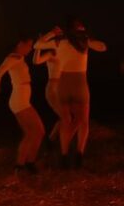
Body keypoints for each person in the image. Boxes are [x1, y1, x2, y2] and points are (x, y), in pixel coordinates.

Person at [33, 17, 106, 168]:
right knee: (83, 121)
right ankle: (79, 153)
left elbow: (37, 45)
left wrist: (51, 33)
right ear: (79, 29)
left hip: (63, 84)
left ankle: (64, 155)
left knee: (65, 121)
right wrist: (87, 38)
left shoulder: (59, 42)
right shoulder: (84, 42)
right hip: (80, 83)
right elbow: (103, 47)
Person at [0, 35, 44, 173]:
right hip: (19, 100)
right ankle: (24, 164)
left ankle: (24, 164)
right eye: (29, 45)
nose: (30, 49)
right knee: (37, 131)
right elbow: (0, 71)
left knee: (32, 133)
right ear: (20, 44)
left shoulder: (18, 58)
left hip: (22, 100)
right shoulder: (13, 58)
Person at [32, 28, 63, 145]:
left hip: (63, 87)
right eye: (58, 39)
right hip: (53, 87)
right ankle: (51, 141)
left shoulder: (65, 52)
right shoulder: (51, 53)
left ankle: (53, 140)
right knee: (65, 116)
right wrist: (39, 45)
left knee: (67, 116)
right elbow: (36, 61)